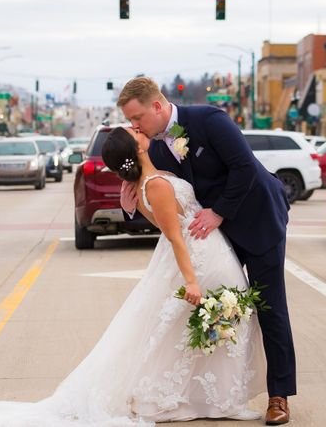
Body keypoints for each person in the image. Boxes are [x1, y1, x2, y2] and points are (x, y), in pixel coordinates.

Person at [0, 126, 264, 426]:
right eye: (135, 134)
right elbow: (175, 236)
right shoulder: (154, 185)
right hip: (197, 257)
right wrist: (190, 280)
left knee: (188, 331)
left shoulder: (150, 181)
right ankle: (201, 398)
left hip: (207, 252)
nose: (139, 130)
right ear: (137, 149)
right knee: (209, 324)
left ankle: (209, 397)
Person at [118, 77, 296, 425]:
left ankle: (279, 396)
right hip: (213, 239)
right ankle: (215, 390)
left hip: (257, 219)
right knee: (217, 308)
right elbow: (162, 195)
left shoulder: (210, 119)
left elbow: (243, 168)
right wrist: (131, 201)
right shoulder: (153, 147)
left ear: (157, 105)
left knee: (270, 306)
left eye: (137, 117)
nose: (135, 126)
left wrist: (219, 212)